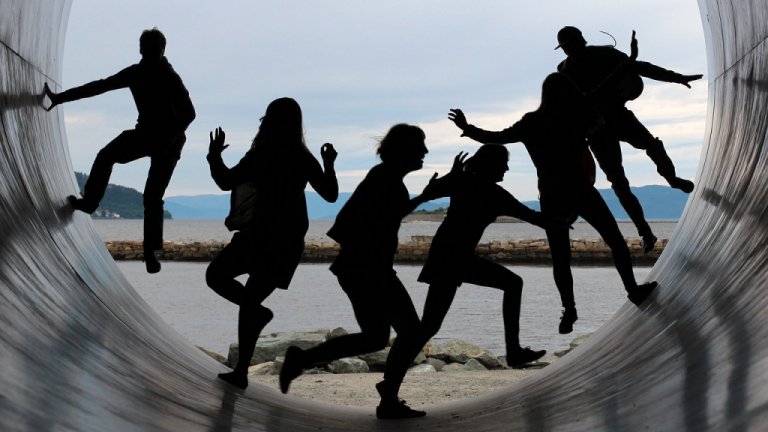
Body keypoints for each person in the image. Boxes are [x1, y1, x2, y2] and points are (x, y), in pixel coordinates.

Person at [449, 48, 657, 334]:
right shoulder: (578, 114)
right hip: (581, 190)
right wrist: (628, 62)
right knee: (616, 242)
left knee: (561, 257)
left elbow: (496, 137)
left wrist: (467, 128)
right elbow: (605, 86)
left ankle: (569, 309)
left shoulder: (531, 122)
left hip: (552, 195)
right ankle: (633, 290)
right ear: (567, 91)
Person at [280, 124, 443, 419]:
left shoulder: (385, 177)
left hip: (359, 269)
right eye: (420, 146)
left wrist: (423, 197)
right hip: (369, 270)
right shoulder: (385, 177)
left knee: (376, 337)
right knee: (410, 331)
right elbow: (384, 215)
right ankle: (388, 396)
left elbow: (386, 213)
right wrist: (425, 197)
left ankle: (302, 359)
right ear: (404, 150)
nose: (425, 152)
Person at [206, 97, 338, 390]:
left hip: (258, 235)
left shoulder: (261, 153)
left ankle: (242, 368)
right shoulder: (302, 156)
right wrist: (329, 164)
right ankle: (243, 363)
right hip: (287, 241)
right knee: (250, 300)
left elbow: (226, 181)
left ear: (269, 121)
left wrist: (214, 156)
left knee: (216, 276)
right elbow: (330, 194)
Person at [44, 28, 195, 273]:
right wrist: (60, 98)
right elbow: (99, 87)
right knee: (106, 156)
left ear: (161, 50)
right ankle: (90, 203)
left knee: (152, 196)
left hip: (171, 142)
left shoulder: (170, 77)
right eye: (145, 49)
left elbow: (189, 114)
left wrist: (169, 139)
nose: (148, 53)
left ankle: (150, 252)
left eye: (153, 49)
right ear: (141, 49)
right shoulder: (136, 73)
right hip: (145, 135)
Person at [555, 26, 703, 253]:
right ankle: (645, 232)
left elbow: (640, 67)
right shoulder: (563, 70)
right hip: (596, 130)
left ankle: (672, 179)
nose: (569, 51)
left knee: (652, 146)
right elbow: (568, 107)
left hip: (617, 116)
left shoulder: (605, 54)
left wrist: (676, 78)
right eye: (565, 48)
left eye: (570, 45)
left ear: (581, 40)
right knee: (619, 183)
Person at [417, 145, 551, 368]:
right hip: (453, 259)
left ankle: (514, 352)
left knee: (430, 324)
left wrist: (452, 176)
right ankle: (514, 352)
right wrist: (564, 217)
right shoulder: (493, 193)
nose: (507, 169)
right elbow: (536, 218)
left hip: (447, 256)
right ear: (493, 165)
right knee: (513, 284)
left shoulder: (464, 182)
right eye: (504, 164)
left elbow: (428, 194)